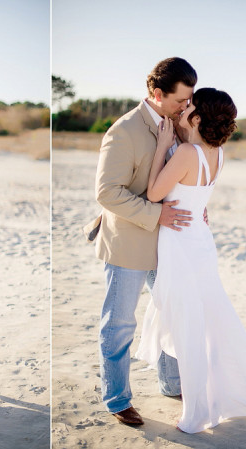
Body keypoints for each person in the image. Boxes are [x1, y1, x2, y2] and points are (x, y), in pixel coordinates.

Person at [135, 88, 246, 433]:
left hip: (179, 244)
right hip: (201, 243)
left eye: (189, 105)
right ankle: (211, 395)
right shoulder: (218, 154)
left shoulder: (188, 152)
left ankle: (196, 413)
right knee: (206, 321)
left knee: (188, 325)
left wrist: (162, 147)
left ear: (198, 116)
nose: (184, 107)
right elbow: (196, 199)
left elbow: (154, 195)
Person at [90, 57, 199, 425]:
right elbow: (107, 192)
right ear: (156, 94)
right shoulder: (124, 131)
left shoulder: (180, 125)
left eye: (190, 99)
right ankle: (117, 398)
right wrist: (156, 215)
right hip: (129, 244)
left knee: (172, 314)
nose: (187, 106)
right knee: (120, 324)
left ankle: (172, 384)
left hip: (170, 245)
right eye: (180, 100)